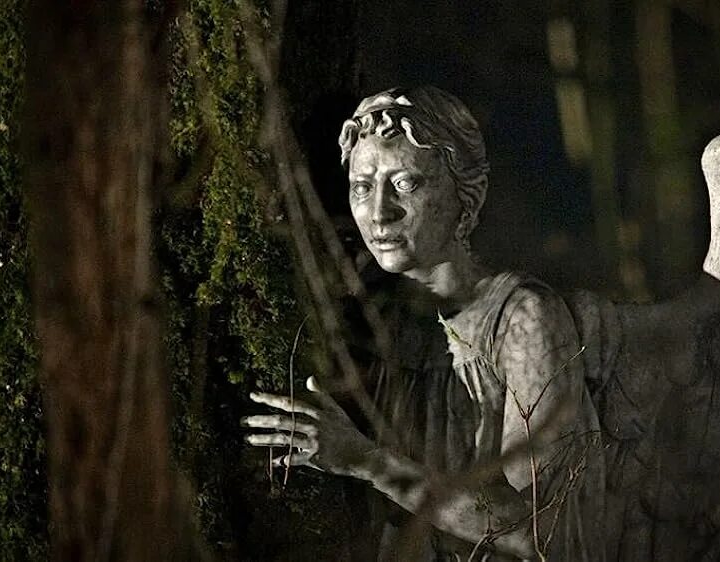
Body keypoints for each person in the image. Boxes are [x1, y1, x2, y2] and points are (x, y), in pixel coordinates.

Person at [242, 86, 606, 561]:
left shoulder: (522, 319)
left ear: (466, 195)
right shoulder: (381, 322)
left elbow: (542, 531)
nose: (379, 213)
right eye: (362, 187)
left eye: (405, 184)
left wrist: (368, 463)